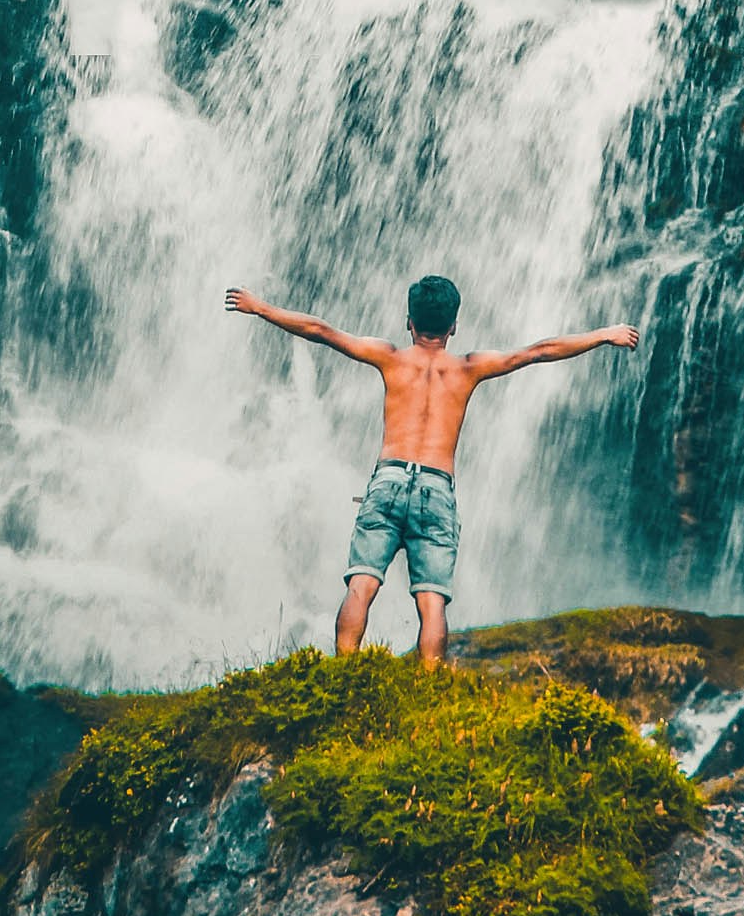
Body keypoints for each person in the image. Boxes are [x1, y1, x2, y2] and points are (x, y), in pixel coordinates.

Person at [225, 274, 639, 664]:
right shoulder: (468, 367)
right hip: (436, 487)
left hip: (387, 481)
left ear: (409, 322)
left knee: (361, 585)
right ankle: (430, 685)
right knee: (432, 601)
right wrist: (603, 335)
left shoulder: (388, 357)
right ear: (454, 326)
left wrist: (259, 307)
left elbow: (322, 331)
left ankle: (343, 674)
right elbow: (537, 352)